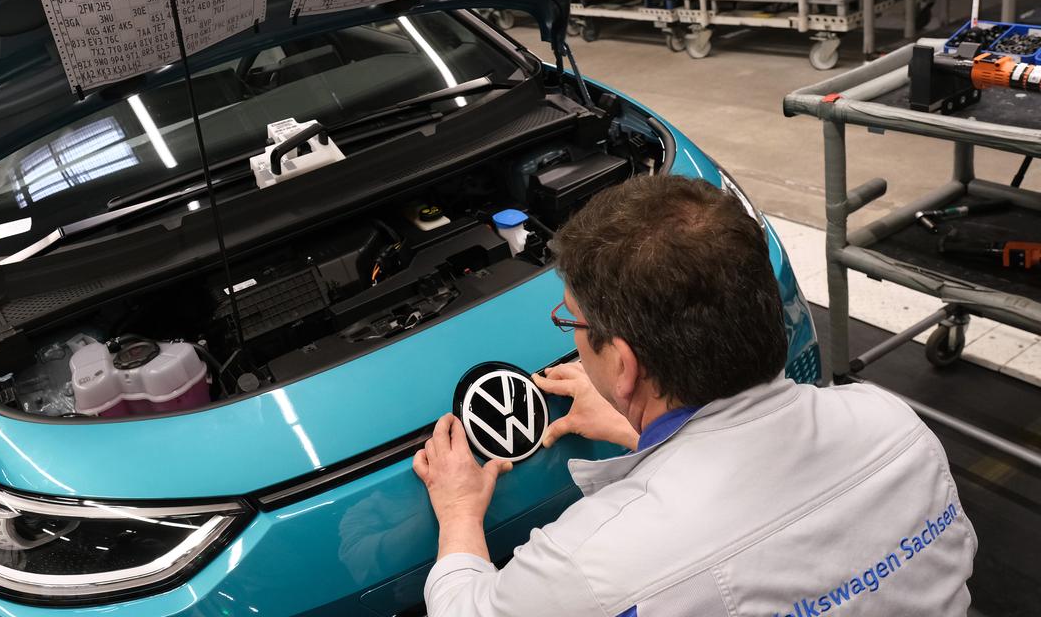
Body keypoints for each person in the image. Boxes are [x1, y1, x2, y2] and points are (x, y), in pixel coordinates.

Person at [413, 174, 976, 616]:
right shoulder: (891, 421)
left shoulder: (589, 562)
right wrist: (633, 427)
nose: (574, 336)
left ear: (625, 365)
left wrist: (460, 512)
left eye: (573, 324)